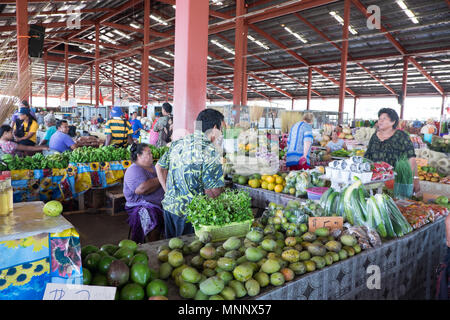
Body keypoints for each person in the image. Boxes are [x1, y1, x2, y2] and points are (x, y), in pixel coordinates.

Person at [155, 109, 226, 238]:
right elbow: (213, 192)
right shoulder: (210, 151)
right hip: (191, 214)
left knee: (171, 251)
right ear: (215, 128)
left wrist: (168, 191)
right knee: (188, 253)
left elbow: (159, 167)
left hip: (170, 208)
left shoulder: (178, 142)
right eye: (221, 130)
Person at [364, 108, 420, 193]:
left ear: (393, 122)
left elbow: (411, 158)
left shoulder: (401, 136)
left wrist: (414, 179)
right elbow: (367, 157)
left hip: (395, 181)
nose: (380, 121)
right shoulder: (374, 137)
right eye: (379, 118)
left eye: (384, 119)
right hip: (375, 181)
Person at [123, 143, 165, 243]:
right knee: (151, 214)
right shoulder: (133, 170)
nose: (152, 155)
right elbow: (142, 189)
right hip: (139, 204)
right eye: (149, 153)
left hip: (158, 201)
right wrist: (161, 177)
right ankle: (153, 244)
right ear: (139, 155)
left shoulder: (153, 167)